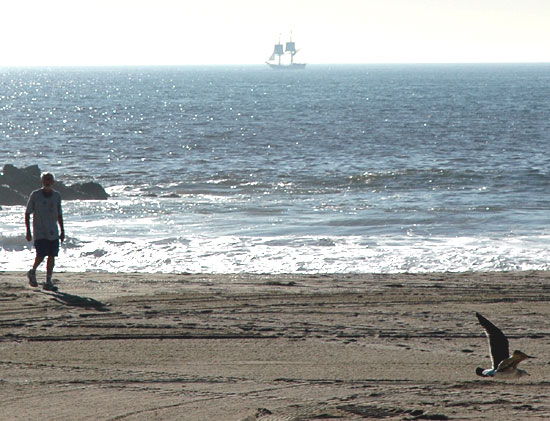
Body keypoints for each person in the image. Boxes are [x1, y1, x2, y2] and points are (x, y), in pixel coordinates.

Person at [25, 171, 65, 291]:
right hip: (40, 230)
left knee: (52, 255)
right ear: (42, 181)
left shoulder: (57, 195)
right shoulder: (35, 195)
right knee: (41, 254)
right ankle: (32, 271)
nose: (47, 182)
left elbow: (59, 214)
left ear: (53, 182)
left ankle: (48, 281)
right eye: (45, 179)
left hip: (53, 231)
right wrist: (28, 231)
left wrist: (62, 230)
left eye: (49, 179)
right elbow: (27, 213)